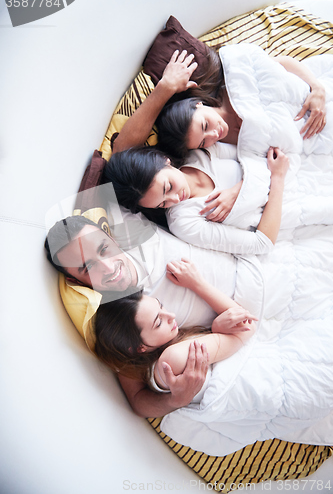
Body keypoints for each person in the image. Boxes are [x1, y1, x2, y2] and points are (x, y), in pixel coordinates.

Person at [45, 210, 249, 417]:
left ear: (111, 237)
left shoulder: (134, 229)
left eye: (104, 249)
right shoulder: (122, 318)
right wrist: (176, 399)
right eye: (88, 267)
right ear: (77, 282)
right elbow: (138, 400)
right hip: (241, 323)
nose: (108, 267)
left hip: (249, 263)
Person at [111, 48, 327, 223]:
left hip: (317, 98)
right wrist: (239, 191)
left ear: (199, 104)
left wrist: (317, 88)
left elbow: (280, 66)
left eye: (205, 124)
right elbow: (122, 151)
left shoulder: (231, 86)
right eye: (204, 140)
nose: (214, 133)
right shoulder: (218, 148)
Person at [94, 258, 256, 401]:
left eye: (161, 306)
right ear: (139, 348)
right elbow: (247, 327)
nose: (171, 315)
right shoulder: (172, 360)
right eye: (158, 322)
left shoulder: (160, 357)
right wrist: (198, 285)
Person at [103, 144, 289, 255]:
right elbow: (262, 243)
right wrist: (277, 178)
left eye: (168, 187)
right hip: (284, 217)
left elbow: (260, 154)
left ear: (164, 160)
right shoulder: (183, 222)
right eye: (162, 204)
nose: (175, 199)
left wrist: (237, 191)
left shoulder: (201, 152)